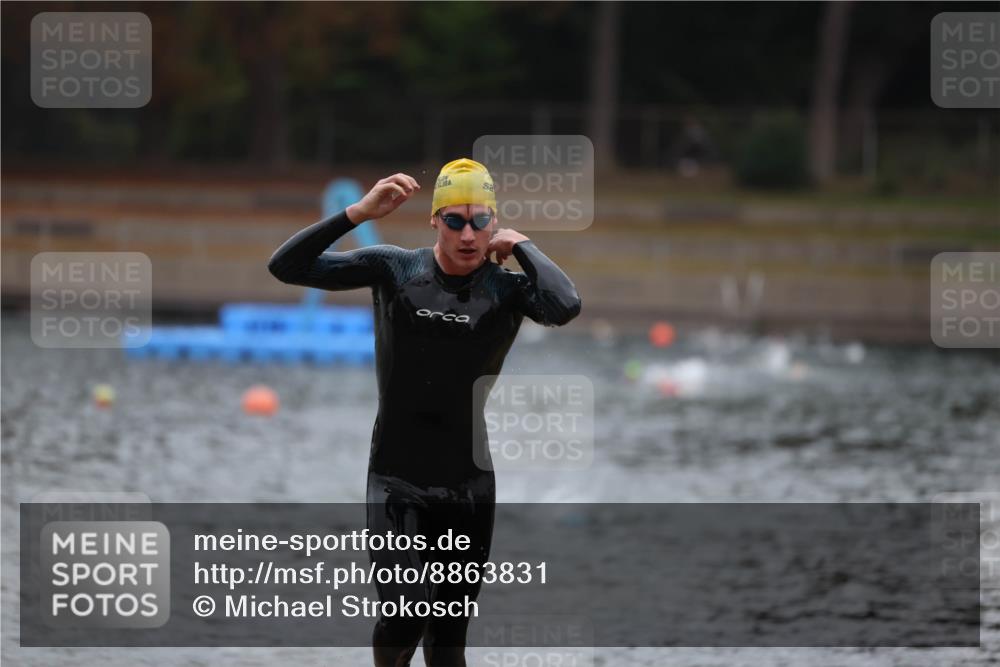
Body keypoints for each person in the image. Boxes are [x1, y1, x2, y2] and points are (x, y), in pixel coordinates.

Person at [267, 158, 581, 666]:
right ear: (434, 220)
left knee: (448, 635)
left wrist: (524, 247)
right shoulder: (395, 269)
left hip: (469, 486)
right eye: (454, 220)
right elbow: (287, 267)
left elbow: (566, 305)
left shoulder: (507, 292)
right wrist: (357, 214)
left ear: (494, 223)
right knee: (407, 610)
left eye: (480, 220)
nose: (468, 234)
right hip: (396, 478)